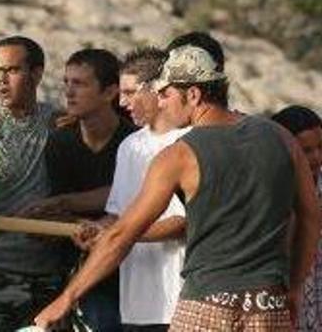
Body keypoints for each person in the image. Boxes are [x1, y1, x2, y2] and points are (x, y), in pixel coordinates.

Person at [35, 45, 321, 331]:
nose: (160, 103)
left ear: (193, 95)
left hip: (206, 307)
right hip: (269, 308)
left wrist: (66, 298)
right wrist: (294, 287)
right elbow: (310, 217)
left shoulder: (179, 155)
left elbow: (122, 235)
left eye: (165, 94)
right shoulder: (281, 137)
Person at [0, 36, 65, 331]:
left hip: (49, 277)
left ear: (37, 73)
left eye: (12, 70)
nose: (1, 81)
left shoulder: (60, 124)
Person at [82, 47, 189, 331]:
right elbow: (118, 215)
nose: (121, 102)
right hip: (135, 304)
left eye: (130, 93)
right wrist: (97, 230)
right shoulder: (129, 146)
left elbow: (182, 222)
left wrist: (117, 236)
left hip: (179, 300)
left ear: (157, 90)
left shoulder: (190, 142)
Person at [36, 48, 134, 331]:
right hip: (73, 268)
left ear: (110, 92)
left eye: (79, 84)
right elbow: (58, 210)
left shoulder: (133, 142)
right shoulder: (60, 142)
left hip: (127, 270)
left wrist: (66, 204)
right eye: (66, 82)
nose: (68, 92)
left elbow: (131, 199)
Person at [272, 105, 322, 331]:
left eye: (321, 147)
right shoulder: (270, 191)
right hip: (285, 300)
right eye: (306, 150)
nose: (316, 158)